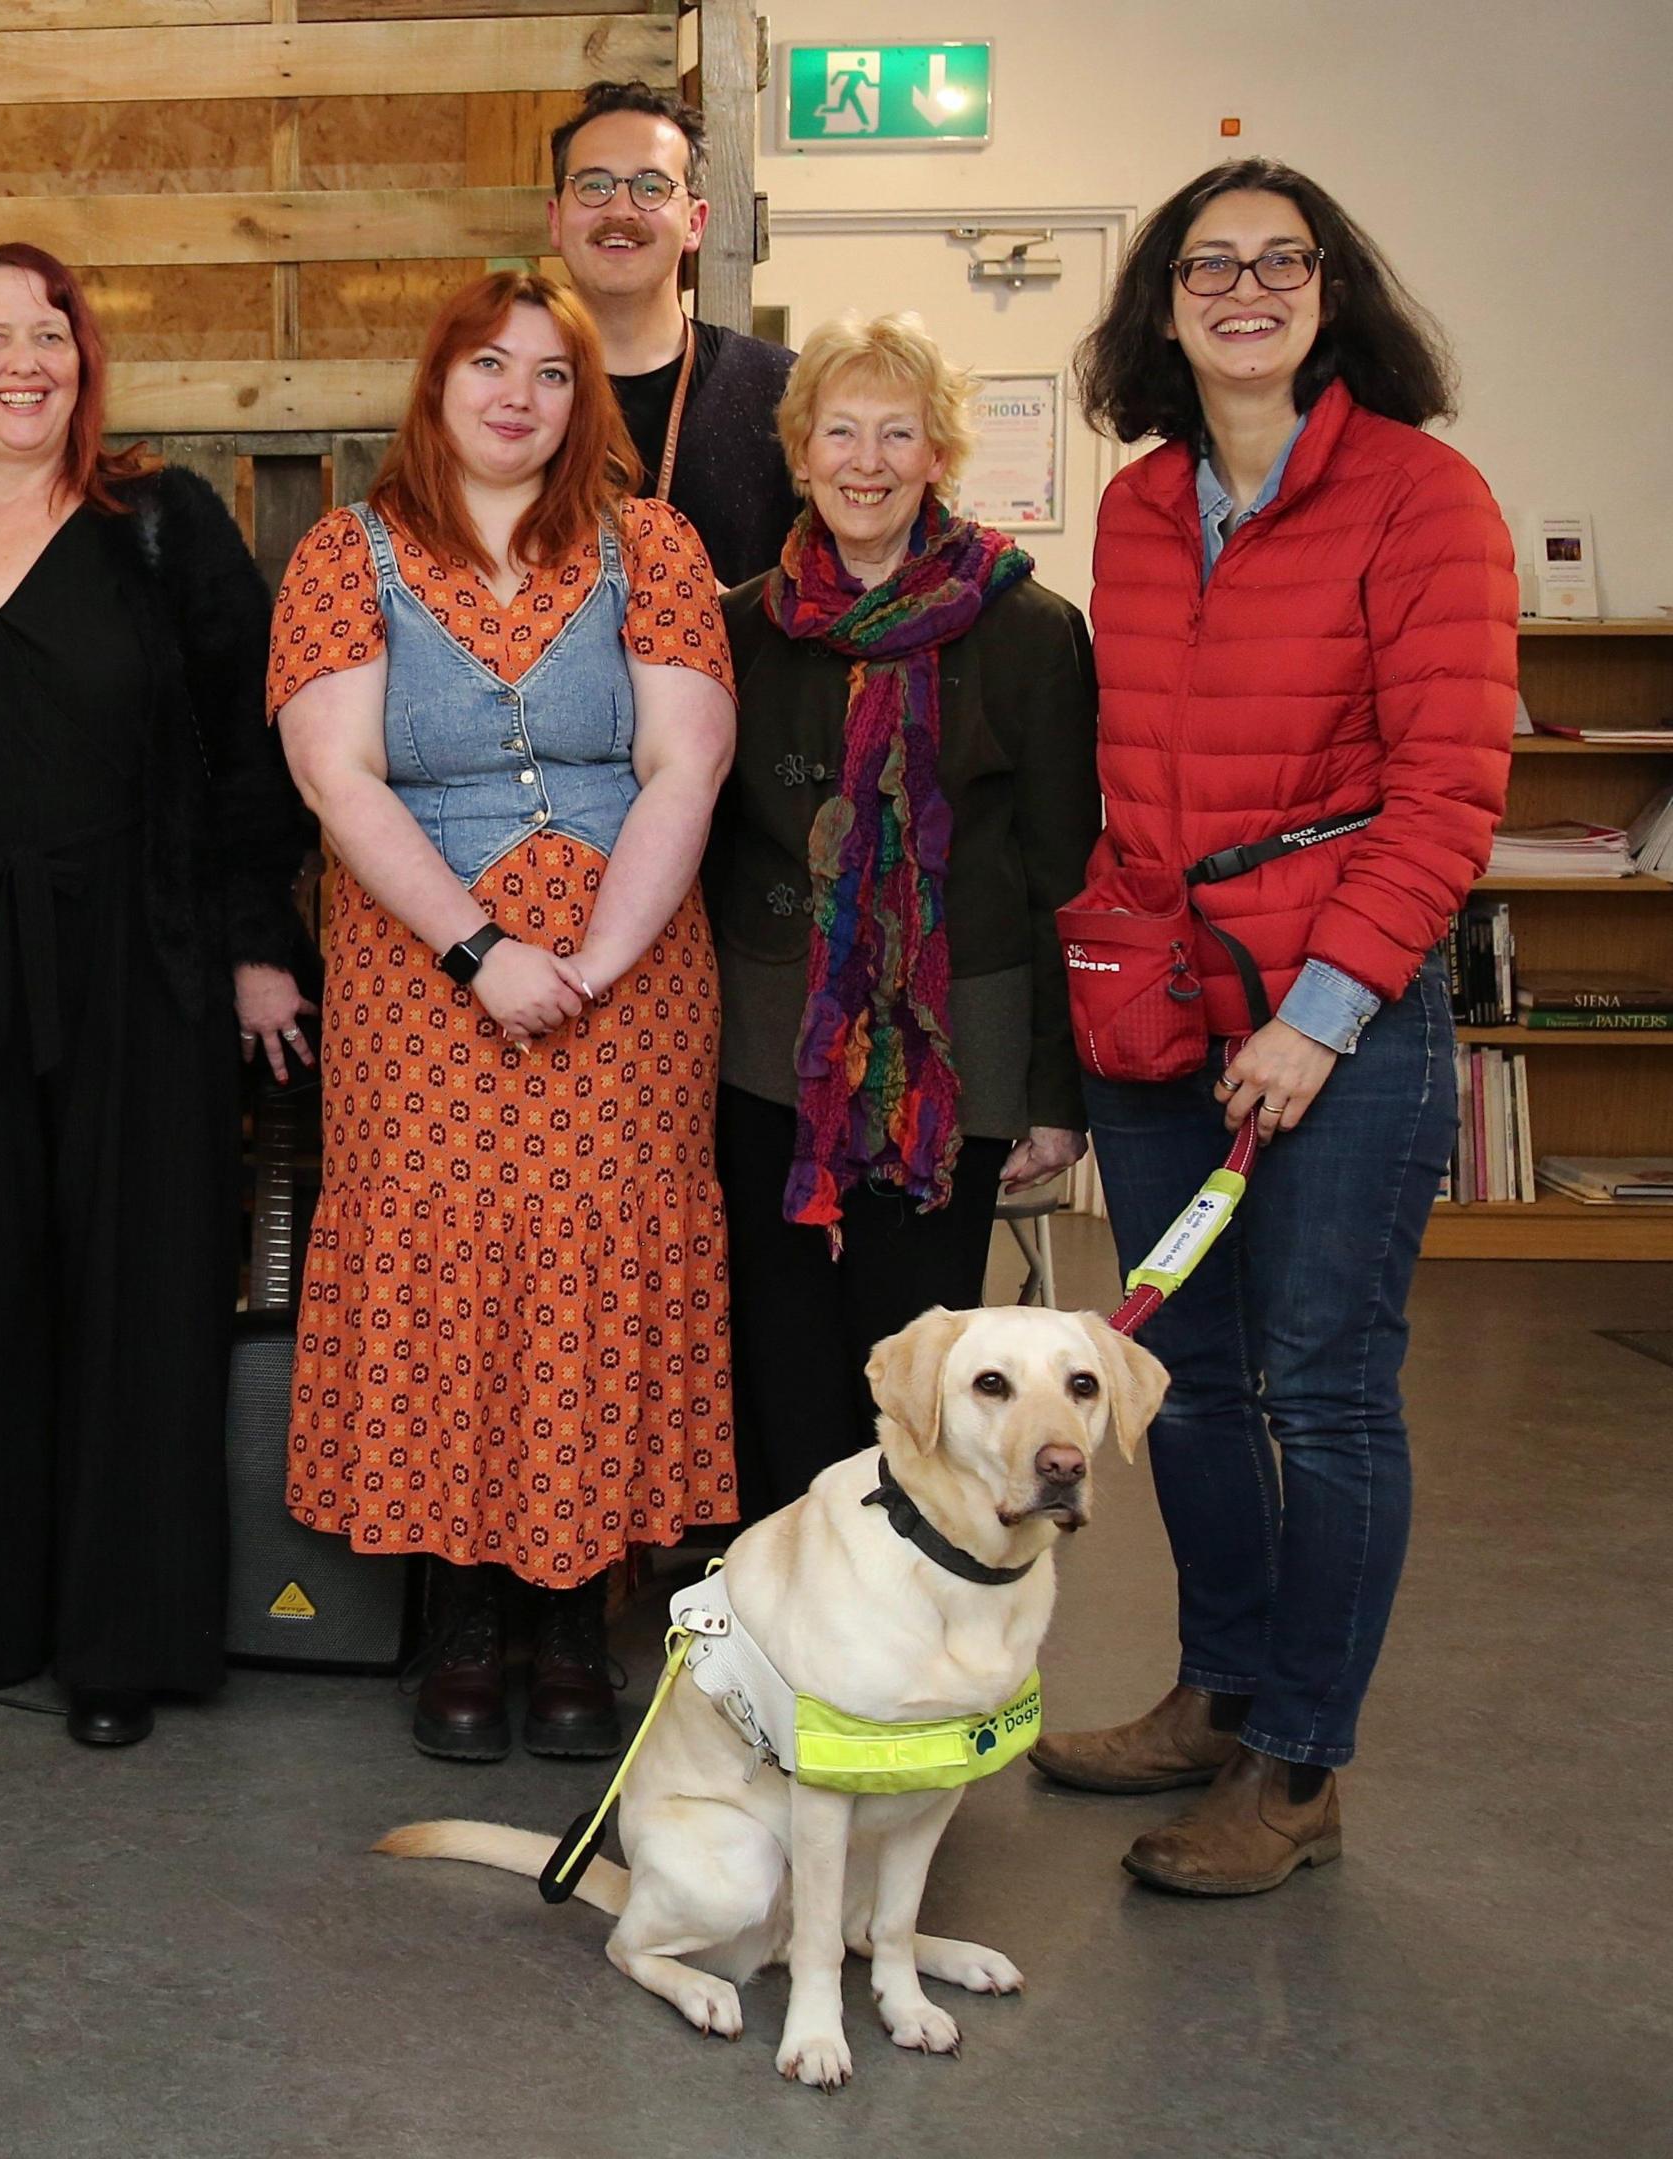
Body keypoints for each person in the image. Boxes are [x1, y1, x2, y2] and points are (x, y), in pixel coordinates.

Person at [1028, 160, 1513, 1895]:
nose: (1244, 287)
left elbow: (1446, 789)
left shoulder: (1422, 497)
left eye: (1279, 261)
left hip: (1346, 1021)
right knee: (1194, 1382)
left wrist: (1318, 1014)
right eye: (1207, 264)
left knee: (1325, 1387)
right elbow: (1137, 779)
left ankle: (1300, 1767)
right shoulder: (1145, 507)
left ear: (1331, 291)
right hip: (1163, 1011)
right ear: (1162, 301)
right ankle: (1218, 1692)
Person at [0, 246, 313, 1749]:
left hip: (144, 957)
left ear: (83, 361)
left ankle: (122, 1639)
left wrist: (253, 942)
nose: (22, 361)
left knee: (138, 1288)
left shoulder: (166, 528)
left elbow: (249, 749)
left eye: (50, 335)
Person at [270, 270, 737, 1765]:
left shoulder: (650, 544)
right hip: (423, 977)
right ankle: (465, 1620)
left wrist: (598, 956)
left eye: (550, 370)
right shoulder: (348, 555)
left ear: (581, 399)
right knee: (448, 1277)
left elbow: (686, 763)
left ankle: (572, 1624)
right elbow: (339, 778)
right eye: (488, 364)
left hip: (633, 974)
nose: (517, 394)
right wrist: (482, 950)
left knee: (596, 1277)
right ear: (438, 384)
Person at [708, 313, 1099, 1523]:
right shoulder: (741, 627)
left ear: (939, 454)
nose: (866, 460)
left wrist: (1052, 1097)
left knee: (920, 1365)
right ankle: (789, 1618)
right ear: (801, 449)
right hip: (771, 1049)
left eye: (898, 432)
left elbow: (1060, 873)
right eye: (841, 431)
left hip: (954, 1059)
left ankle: (910, 1618)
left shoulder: (1031, 631)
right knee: (779, 1354)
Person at [542, 81, 796, 586]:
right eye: (593, 185)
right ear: (555, 219)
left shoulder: (783, 391)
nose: (620, 210)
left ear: (695, 223)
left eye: (652, 187)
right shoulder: (492, 395)